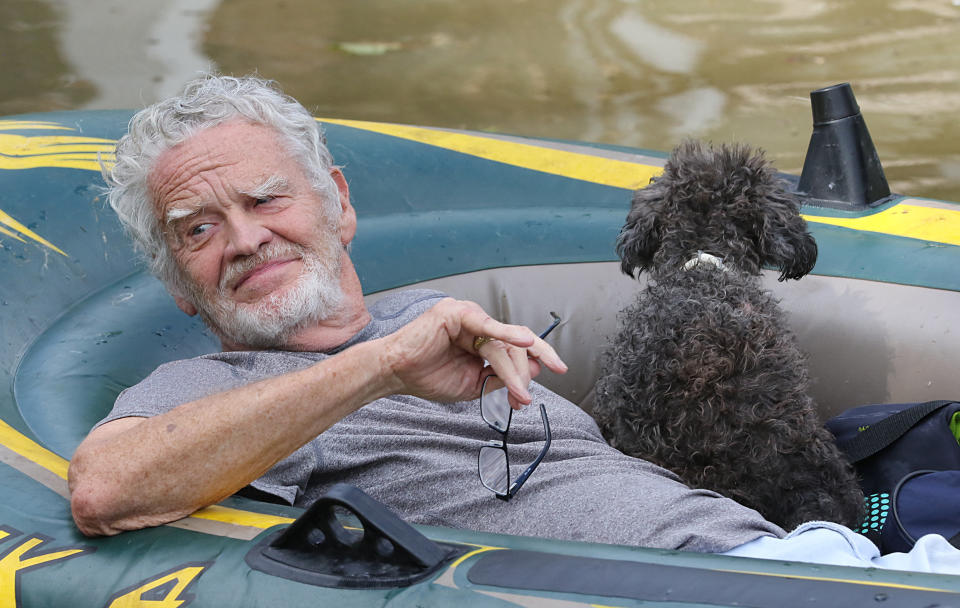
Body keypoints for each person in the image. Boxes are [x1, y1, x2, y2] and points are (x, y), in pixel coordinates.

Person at [67, 74, 960, 573]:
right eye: (199, 230)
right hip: (735, 587)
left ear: (336, 204)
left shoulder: (430, 313)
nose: (247, 238)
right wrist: (380, 366)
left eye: (266, 199)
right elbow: (106, 491)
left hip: (789, 552)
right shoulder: (200, 389)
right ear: (179, 286)